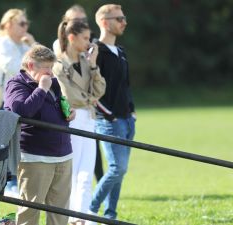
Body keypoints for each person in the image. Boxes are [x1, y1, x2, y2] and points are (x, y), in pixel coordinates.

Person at [4, 45, 76, 225]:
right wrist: (41, 89)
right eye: (47, 68)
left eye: (52, 68)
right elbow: (21, 111)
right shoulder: (16, 84)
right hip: (35, 157)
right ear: (30, 66)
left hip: (63, 154)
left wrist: (68, 112)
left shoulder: (52, 82)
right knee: (30, 210)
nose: (51, 73)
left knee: (60, 211)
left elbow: (58, 104)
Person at [52, 19, 106, 224]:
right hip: (72, 120)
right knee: (72, 171)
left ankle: (81, 216)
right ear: (71, 38)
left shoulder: (86, 62)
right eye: (85, 38)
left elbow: (100, 89)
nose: (89, 42)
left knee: (86, 172)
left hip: (89, 118)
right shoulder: (58, 65)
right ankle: (70, 215)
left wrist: (93, 65)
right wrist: (90, 99)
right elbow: (69, 96)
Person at [87, 4, 136, 222]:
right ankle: (90, 209)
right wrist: (109, 116)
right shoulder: (96, 51)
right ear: (105, 23)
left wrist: (131, 111)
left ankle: (110, 215)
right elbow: (92, 91)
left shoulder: (121, 51)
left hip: (127, 119)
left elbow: (125, 85)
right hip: (109, 120)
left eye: (124, 18)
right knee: (118, 168)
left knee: (120, 171)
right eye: (120, 19)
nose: (124, 22)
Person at [0, 8, 37, 197]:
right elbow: (11, 67)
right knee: (8, 145)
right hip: (6, 101)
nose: (25, 27)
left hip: (25, 101)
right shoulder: (2, 44)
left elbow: (45, 62)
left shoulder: (25, 45)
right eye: (21, 23)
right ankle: (9, 186)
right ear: (8, 24)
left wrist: (33, 45)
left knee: (23, 144)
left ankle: (17, 185)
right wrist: (31, 61)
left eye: (27, 24)